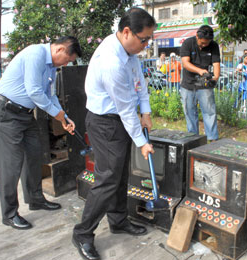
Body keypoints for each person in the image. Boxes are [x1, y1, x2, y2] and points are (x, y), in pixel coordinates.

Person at [72, 7, 155, 260]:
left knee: (119, 176)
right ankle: (83, 233)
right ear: (127, 32)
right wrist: (142, 143)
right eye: (144, 40)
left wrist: (147, 111)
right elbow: (126, 109)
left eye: (150, 40)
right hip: (105, 123)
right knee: (107, 179)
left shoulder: (128, 51)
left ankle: (118, 221)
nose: (146, 45)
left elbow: (139, 83)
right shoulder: (111, 61)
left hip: (119, 121)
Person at [0, 36, 82, 230]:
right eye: (66, 60)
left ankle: (35, 199)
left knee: (34, 155)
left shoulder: (52, 67)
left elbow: (50, 94)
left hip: (25, 114)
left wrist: (64, 118)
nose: (65, 64)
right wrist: (57, 114)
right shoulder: (35, 54)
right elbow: (34, 91)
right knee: (10, 164)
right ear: (60, 50)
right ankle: (10, 213)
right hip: (6, 113)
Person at [180, 25, 220, 142]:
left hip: (204, 85)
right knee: (190, 112)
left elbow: (216, 64)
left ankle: (212, 138)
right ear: (197, 36)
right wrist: (200, 71)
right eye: (202, 43)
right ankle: (193, 139)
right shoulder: (188, 43)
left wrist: (215, 78)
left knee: (209, 112)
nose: (204, 45)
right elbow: (185, 63)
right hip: (188, 84)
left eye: (207, 43)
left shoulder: (213, 45)